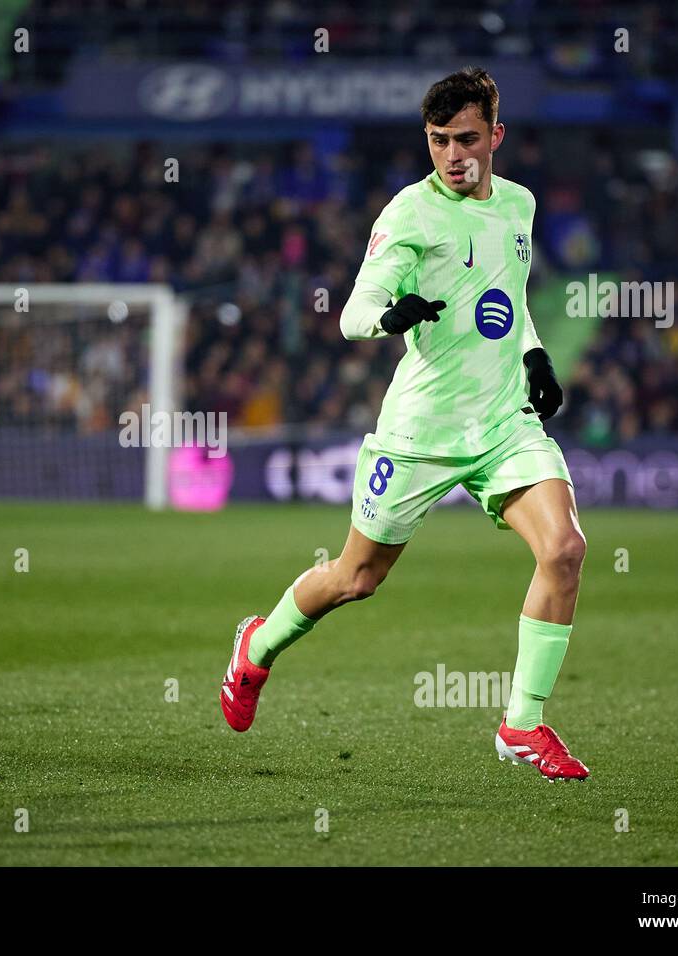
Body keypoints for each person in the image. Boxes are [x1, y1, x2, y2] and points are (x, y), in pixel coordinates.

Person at [220, 67, 590, 781]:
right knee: (356, 578)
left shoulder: (519, 205)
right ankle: (256, 647)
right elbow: (353, 311)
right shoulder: (409, 215)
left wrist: (536, 356)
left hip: (504, 422)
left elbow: (508, 301)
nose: (453, 155)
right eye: (439, 140)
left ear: (496, 136)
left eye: (467, 139)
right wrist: (393, 316)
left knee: (565, 548)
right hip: (422, 432)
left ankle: (522, 723)